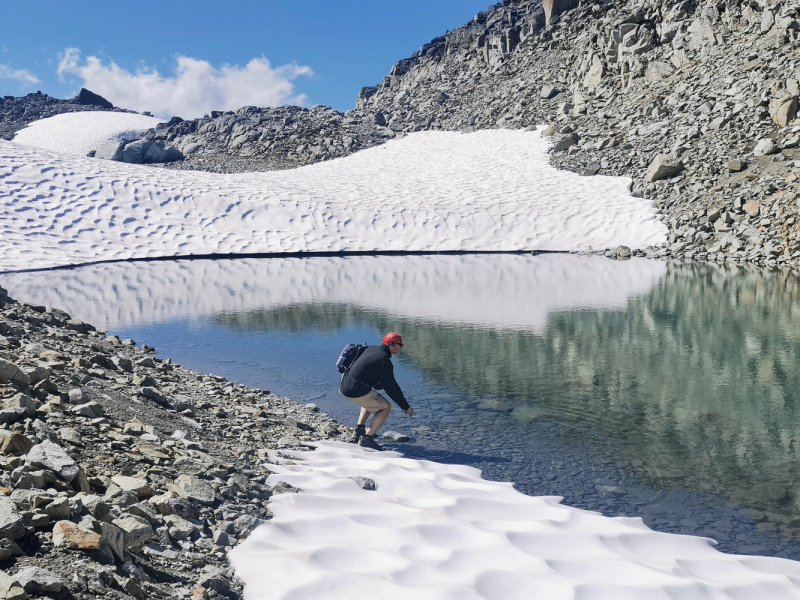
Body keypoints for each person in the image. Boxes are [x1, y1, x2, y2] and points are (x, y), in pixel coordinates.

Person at [339, 332, 414, 450]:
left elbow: (364, 369)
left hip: (343, 385)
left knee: (370, 396)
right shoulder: (384, 361)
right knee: (385, 407)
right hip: (354, 390)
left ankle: (359, 430)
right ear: (392, 344)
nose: (401, 347)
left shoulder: (372, 348)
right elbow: (392, 388)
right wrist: (405, 407)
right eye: (400, 344)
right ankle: (367, 439)